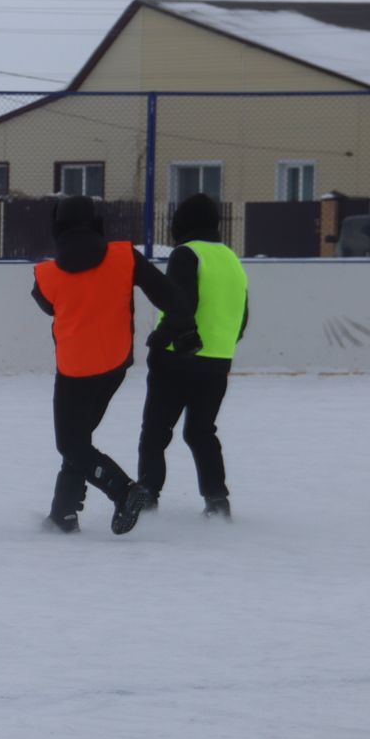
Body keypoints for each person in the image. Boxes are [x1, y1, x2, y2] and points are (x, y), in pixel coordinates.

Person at [30, 194, 181, 534]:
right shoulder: (124, 256)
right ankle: (63, 514)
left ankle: (123, 490)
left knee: (71, 443)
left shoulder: (46, 275)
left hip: (74, 370)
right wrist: (176, 329)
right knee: (79, 440)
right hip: (114, 364)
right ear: (96, 223)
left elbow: (48, 305)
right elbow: (168, 295)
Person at [137, 192, 249, 520]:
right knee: (201, 431)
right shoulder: (230, 258)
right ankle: (217, 502)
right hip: (217, 360)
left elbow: (181, 305)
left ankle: (146, 499)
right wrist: (221, 344)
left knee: (155, 431)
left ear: (183, 224)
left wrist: (159, 340)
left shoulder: (186, 254)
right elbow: (242, 316)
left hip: (178, 358)